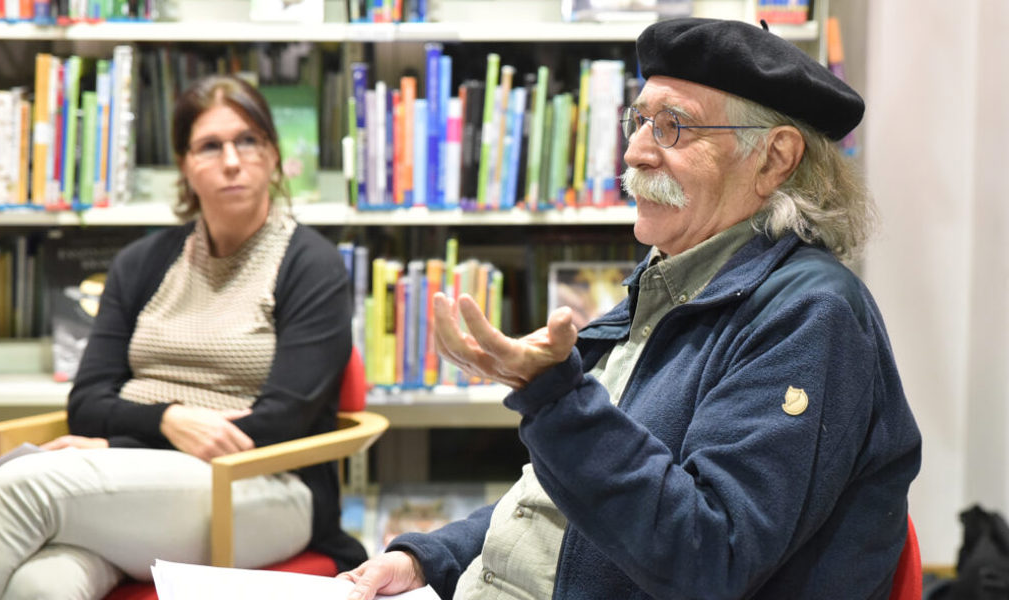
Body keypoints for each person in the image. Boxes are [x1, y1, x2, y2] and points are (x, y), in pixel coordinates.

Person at [340, 17, 922, 600]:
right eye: (639, 120)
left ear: (774, 159)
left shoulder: (810, 316)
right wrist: (432, 557)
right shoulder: (670, 281)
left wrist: (557, 399)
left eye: (673, 127)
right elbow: (568, 504)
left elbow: (708, 556)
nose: (635, 151)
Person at [0, 74, 365, 599]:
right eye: (209, 146)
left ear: (272, 156)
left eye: (248, 140)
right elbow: (87, 400)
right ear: (185, 165)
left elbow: (282, 420)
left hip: (261, 485)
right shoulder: (142, 264)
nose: (231, 160)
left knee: (25, 485)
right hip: (133, 481)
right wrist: (168, 421)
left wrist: (120, 442)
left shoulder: (310, 265)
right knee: (41, 584)